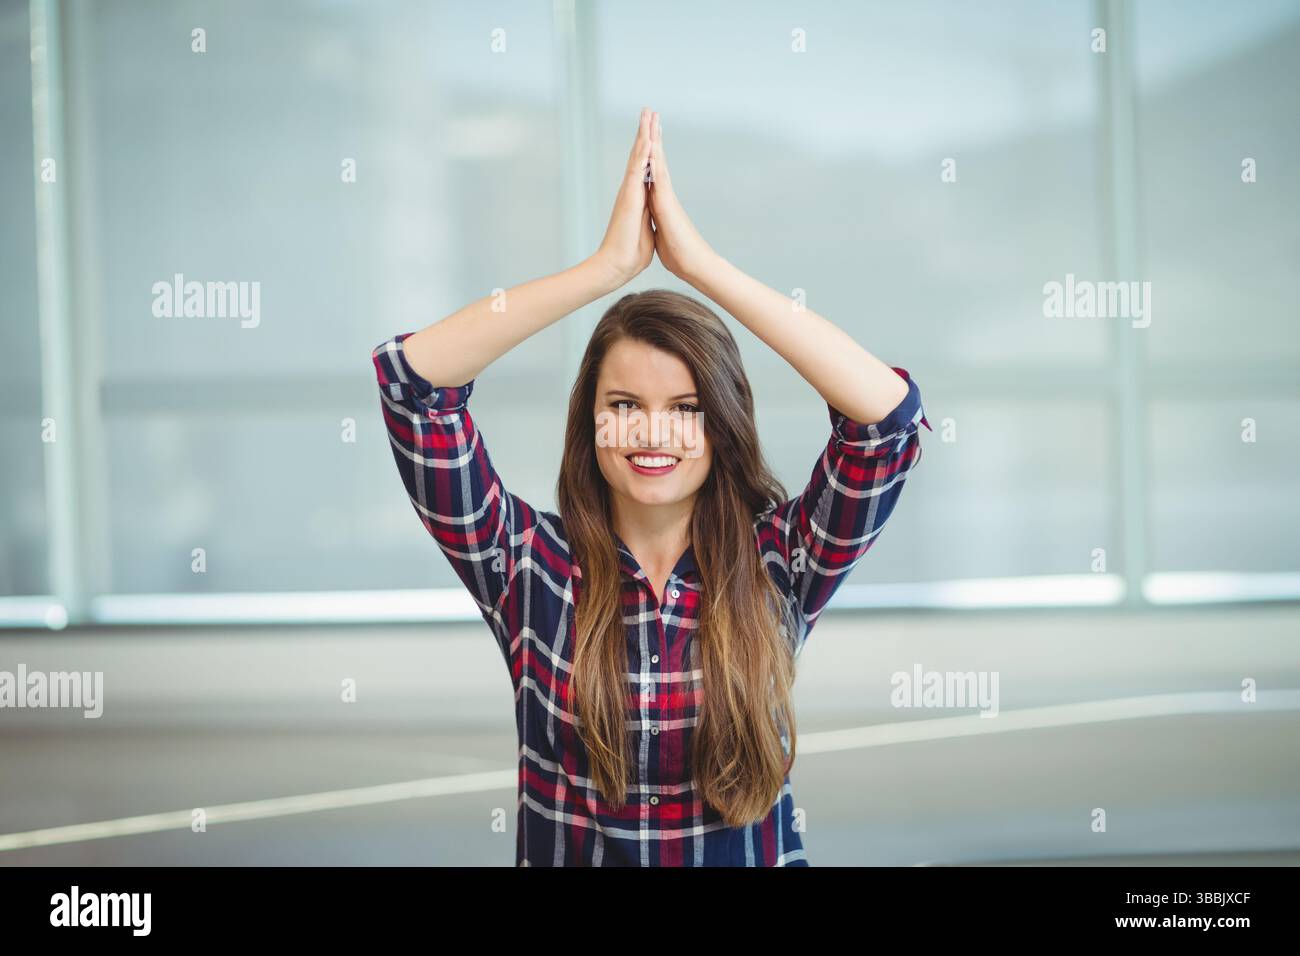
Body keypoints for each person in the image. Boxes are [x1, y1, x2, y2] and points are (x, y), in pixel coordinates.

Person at [372, 107, 930, 865]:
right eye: (625, 405)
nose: (653, 435)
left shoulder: (781, 562)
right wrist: (604, 270)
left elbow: (886, 420)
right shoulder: (525, 564)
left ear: (722, 426)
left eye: (687, 409)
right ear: (590, 421)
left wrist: (699, 266)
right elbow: (415, 385)